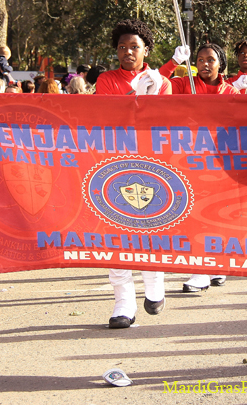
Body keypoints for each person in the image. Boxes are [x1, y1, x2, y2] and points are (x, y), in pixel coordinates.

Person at [93, 19, 170, 328]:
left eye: (134, 47)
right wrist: (133, 97)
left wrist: (149, 96)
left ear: (146, 49)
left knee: (149, 229)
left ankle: (154, 284)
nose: (128, 52)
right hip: (115, 165)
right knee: (116, 234)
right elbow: (106, 117)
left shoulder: (161, 81)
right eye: (122, 47)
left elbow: (164, 122)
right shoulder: (106, 80)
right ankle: (123, 302)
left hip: (152, 165)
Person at [165, 43, 238, 292]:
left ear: (221, 64)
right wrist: (173, 63)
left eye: (211, 60)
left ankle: (214, 265)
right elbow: (154, 87)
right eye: (200, 59)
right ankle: (201, 270)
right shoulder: (184, 84)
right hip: (186, 160)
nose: (205, 64)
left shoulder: (231, 92)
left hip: (220, 163)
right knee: (193, 213)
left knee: (216, 213)